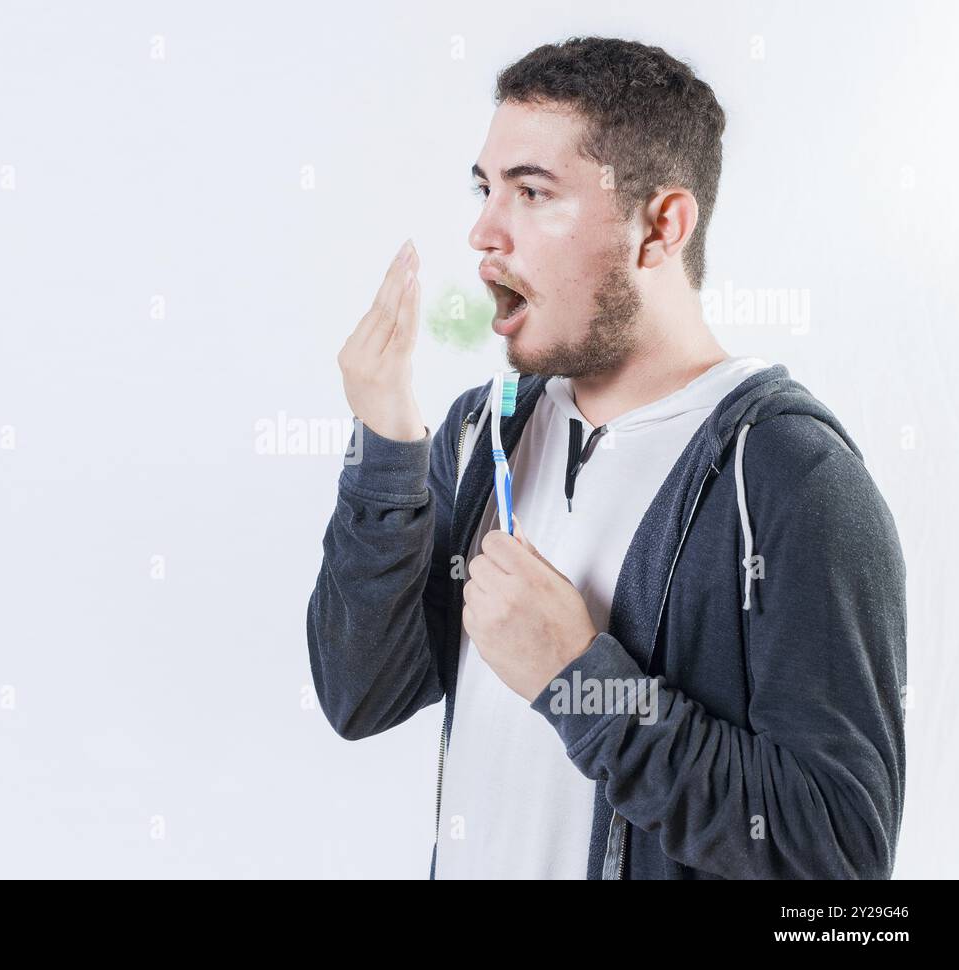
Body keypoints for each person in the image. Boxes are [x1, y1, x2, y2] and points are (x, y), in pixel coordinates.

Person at [306, 36, 906, 879]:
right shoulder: (485, 433)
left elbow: (837, 854)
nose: (483, 232)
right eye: (486, 189)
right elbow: (358, 695)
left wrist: (579, 678)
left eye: (532, 191)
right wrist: (387, 453)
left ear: (661, 226)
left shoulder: (789, 478)